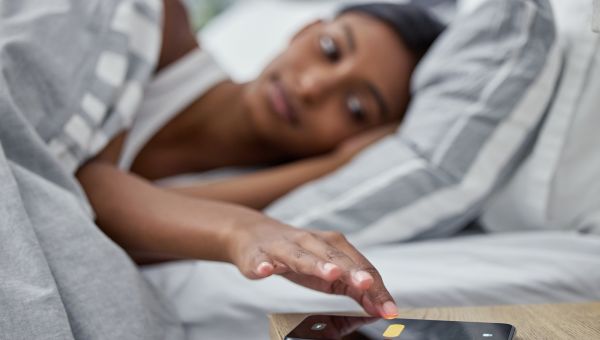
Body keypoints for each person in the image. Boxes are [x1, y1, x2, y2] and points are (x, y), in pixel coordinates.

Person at [0, 0, 443, 338]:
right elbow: (93, 188)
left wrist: (333, 168)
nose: (310, 87)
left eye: (354, 107)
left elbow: (104, 213)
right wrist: (245, 228)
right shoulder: (161, 28)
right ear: (306, 29)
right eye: (329, 50)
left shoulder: (245, 192)